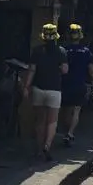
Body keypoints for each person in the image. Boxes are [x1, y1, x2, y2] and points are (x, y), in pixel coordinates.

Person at [24, 22, 68, 162]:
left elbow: (32, 70)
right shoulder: (61, 51)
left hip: (38, 89)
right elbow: (65, 70)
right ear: (55, 36)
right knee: (52, 121)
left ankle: (39, 148)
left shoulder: (37, 51)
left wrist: (26, 86)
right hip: (55, 90)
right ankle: (47, 146)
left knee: (40, 120)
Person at [59, 23, 93, 146]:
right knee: (76, 111)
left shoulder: (64, 50)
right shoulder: (85, 51)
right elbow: (91, 68)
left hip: (65, 84)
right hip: (79, 84)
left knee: (66, 111)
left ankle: (67, 132)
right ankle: (70, 133)